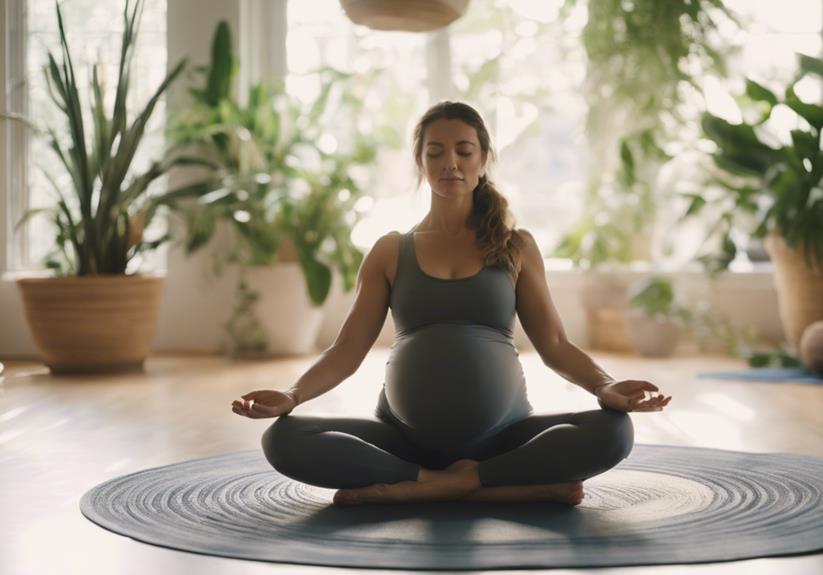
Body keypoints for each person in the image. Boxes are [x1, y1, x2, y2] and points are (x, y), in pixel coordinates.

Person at [231, 101, 671, 506]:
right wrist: (292, 396)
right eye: (436, 152)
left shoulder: (516, 246)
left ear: (483, 160)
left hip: (505, 437)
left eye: (464, 150)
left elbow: (554, 343)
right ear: (420, 163)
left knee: (614, 430)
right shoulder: (390, 250)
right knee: (282, 440)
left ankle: (430, 487)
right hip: (403, 439)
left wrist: (604, 386)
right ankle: (492, 486)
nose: (450, 164)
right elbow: (346, 351)